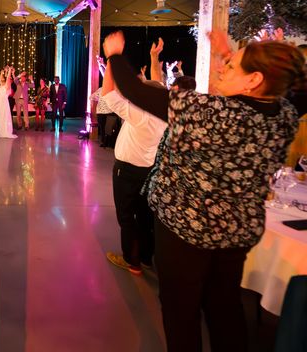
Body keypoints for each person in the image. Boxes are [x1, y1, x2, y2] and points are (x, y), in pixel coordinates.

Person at [103, 30, 305, 352]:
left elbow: (135, 92)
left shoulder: (209, 113)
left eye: (231, 66)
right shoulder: (284, 115)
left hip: (186, 230)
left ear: (253, 79)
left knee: (180, 311)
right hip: (235, 231)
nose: (222, 68)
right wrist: (229, 55)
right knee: (224, 305)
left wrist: (113, 54)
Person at [101, 64, 168, 276]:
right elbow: (158, 85)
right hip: (147, 171)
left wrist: (111, 62)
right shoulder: (164, 115)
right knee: (145, 216)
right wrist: (154, 57)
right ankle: (147, 258)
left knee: (127, 217)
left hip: (126, 172)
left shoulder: (140, 115)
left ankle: (132, 261)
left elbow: (108, 96)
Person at [0, 67, 17, 139]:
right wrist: (2, 73)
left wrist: (9, 71)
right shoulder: (0, 86)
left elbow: (7, 78)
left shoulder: (7, 86)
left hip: (3, 103)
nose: (1, 80)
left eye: (3, 80)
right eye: (1, 80)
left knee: (3, 116)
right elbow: (0, 79)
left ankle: (3, 130)